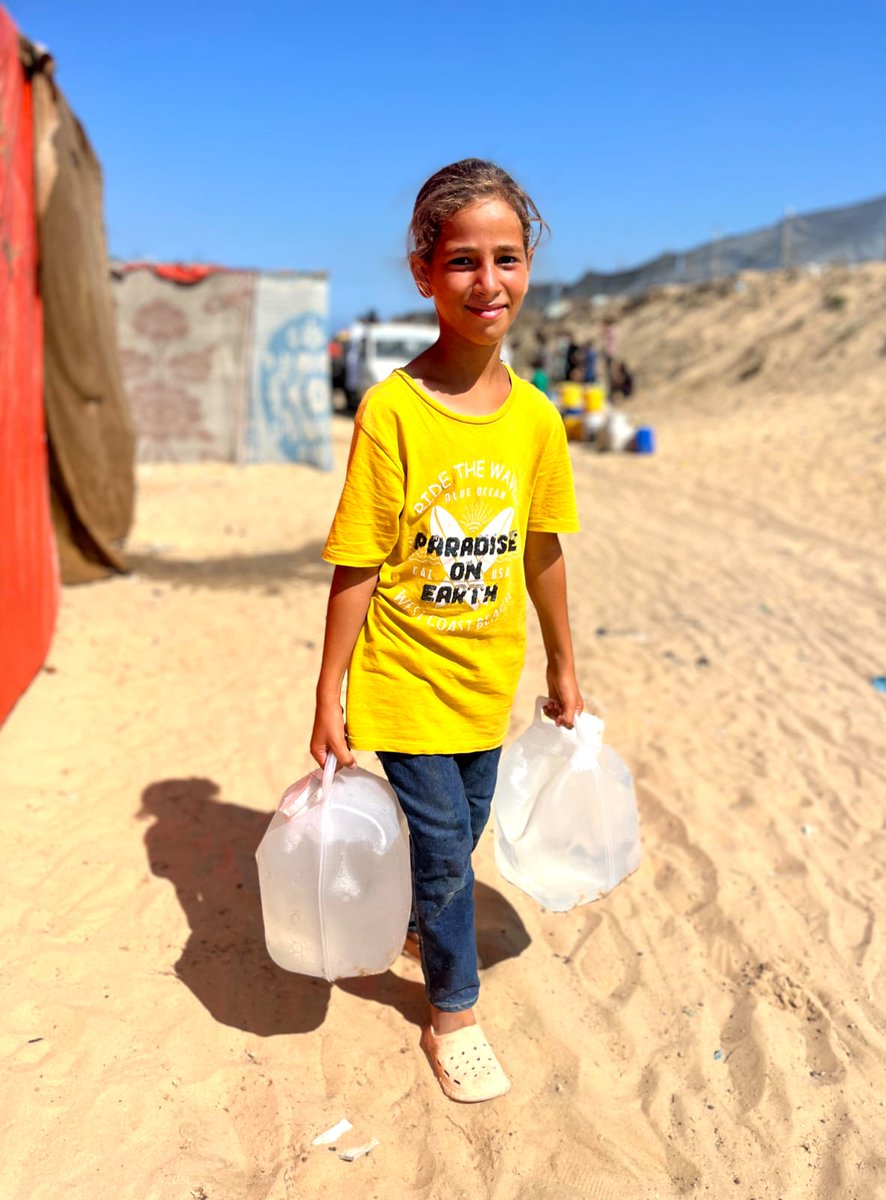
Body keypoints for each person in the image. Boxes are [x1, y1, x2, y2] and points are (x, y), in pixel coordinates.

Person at [310, 159, 582, 1104]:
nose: (488, 281)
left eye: (507, 258)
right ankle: (454, 1014)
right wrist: (329, 690)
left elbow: (542, 546)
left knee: (460, 837)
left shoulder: (540, 420)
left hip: (487, 675)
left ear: (529, 265)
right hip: (403, 677)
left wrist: (563, 661)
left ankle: (423, 914)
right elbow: (358, 560)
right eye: (462, 259)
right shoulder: (392, 410)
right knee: (442, 847)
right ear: (424, 270)